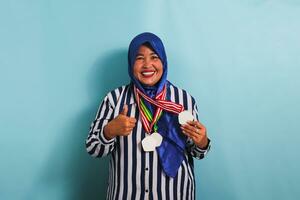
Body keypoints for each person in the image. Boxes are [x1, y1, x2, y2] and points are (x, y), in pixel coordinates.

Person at [86, 32, 211, 200]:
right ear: (131, 63)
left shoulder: (183, 101)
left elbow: (198, 152)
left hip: (175, 194)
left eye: (154, 57)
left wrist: (202, 141)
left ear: (163, 61)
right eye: (139, 58)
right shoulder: (114, 100)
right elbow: (93, 149)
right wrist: (109, 131)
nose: (147, 65)